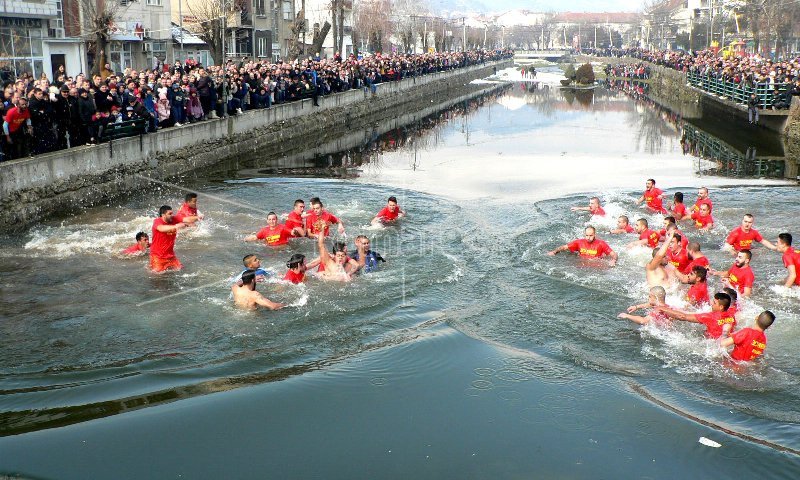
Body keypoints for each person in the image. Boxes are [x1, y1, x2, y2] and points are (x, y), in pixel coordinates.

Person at [655, 292, 736, 339]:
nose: (711, 303)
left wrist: (662, 308)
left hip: (713, 345)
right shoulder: (732, 315)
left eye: (714, 303)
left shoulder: (710, 316)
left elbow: (682, 316)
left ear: (721, 307)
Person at [548, 226, 617, 266]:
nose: (588, 237)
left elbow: (614, 254)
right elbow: (564, 247)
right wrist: (554, 252)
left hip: (596, 266)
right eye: (587, 235)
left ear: (595, 235)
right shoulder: (579, 242)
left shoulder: (601, 243)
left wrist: (613, 260)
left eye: (590, 235)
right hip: (581, 264)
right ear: (584, 235)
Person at [150, 205, 187, 273]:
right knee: (157, 276)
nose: (172, 215)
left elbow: (186, 219)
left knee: (181, 270)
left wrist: (197, 217)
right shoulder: (157, 221)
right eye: (169, 214)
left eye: (172, 213)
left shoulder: (173, 219)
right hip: (158, 257)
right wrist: (176, 226)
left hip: (170, 256)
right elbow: (161, 228)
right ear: (163, 215)